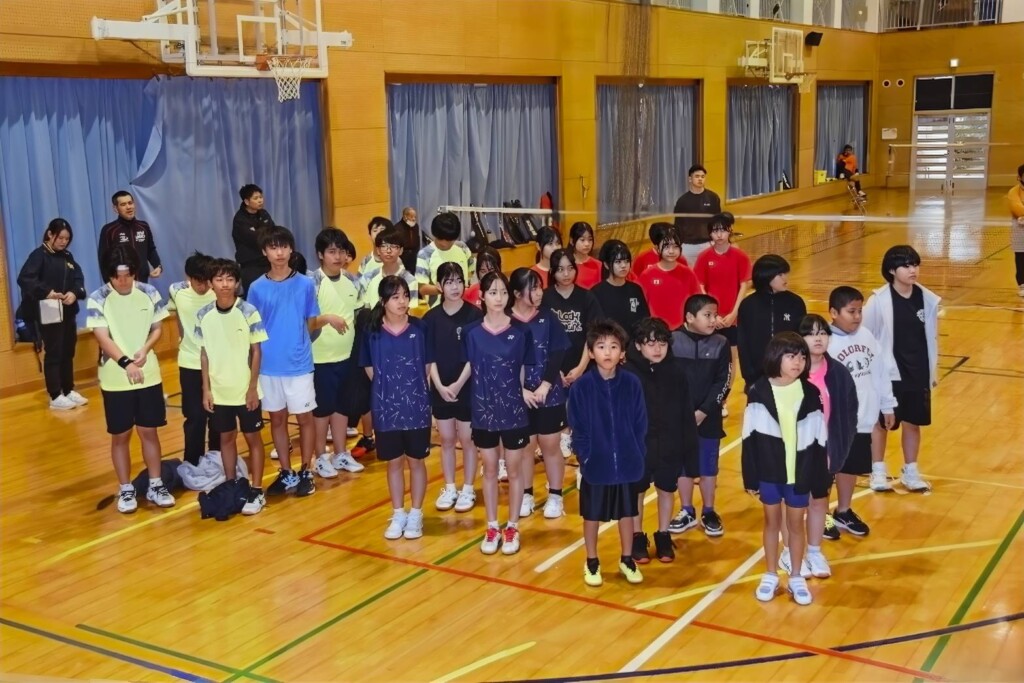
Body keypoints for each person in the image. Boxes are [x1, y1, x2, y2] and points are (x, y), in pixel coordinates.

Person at [741, 332, 828, 606]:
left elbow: (820, 438)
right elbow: (748, 438)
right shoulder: (757, 392)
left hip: (799, 473)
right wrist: (750, 477)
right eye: (791, 356)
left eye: (802, 356)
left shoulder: (811, 393)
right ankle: (770, 574)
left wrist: (820, 478)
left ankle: (796, 576)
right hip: (769, 473)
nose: (798, 362)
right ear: (775, 357)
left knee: (796, 525)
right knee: (771, 522)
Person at [86, 245, 172, 514]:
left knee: (149, 432)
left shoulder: (149, 292)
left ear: (135, 272)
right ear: (109, 275)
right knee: (121, 435)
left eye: (127, 275)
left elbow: (157, 327)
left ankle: (156, 484)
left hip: (149, 375)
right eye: (117, 276)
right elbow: (102, 337)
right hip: (115, 379)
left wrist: (145, 350)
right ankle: (125, 488)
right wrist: (126, 363)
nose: (122, 281)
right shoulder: (98, 298)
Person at [568, 320, 648, 587]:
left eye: (614, 347)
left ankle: (627, 559)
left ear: (622, 352)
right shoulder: (582, 387)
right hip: (596, 465)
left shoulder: (632, 383)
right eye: (601, 346)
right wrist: (586, 456)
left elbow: (640, 423)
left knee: (627, 513)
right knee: (591, 515)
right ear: (591, 352)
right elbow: (578, 427)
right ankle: (592, 561)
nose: (607, 352)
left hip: (626, 463)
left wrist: (636, 452)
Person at [246, 225, 320, 498]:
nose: (279, 252)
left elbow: (311, 322)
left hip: (299, 364)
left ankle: (306, 471)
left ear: (291, 249)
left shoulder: (306, 284)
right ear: (264, 251)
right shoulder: (256, 288)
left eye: (283, 246)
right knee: (277, 419)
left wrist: (297, 343)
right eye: (273, 247)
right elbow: (252, 329)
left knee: (305, 419)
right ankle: (287, 472)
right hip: (268, 365)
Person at [463, 271, 534, 555]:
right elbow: (469, 368)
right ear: (482, 296)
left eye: (503, 292)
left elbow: (524, 371)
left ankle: (512, 526)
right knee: (490, 468)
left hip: (514, 412)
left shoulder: (521, 332)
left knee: (514, 470)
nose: (499, 298)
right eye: (493, 292)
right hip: (483, 412)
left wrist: (524, 394)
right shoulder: (471, 333)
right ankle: (492, 526)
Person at [784, 313, 857, 580]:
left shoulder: (838, 373)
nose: (818, 338)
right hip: (793, 452)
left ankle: (814, 551)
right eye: (811, 333)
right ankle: (790, 552)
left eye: (823, 333)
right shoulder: (789, 372)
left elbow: (848, 413)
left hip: (823, 451)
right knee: (793, 506)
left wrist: (838, 450)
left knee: (819, 501)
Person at [360, 275, 433, 540]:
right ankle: (398, 512)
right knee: (393, 463)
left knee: (416, 461)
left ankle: (416, 513)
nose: (402, 301)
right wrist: (388, 392)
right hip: (386, 408)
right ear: (383, 301)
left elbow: (427, 367)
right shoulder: (372, 332)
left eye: (405, 296)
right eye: (395, 297)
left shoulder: (420, 328)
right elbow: (370, 369)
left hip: (416, 407)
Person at [863, 245, 939, 493]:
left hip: (918, 372)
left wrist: (931, 371)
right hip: (889, 374)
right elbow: (866, 336)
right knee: (882, 423)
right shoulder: (878, 301)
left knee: (913, 423)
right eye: (906, 266)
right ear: (892, 270)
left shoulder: (927, 299)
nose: (912, 270)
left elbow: (931, 337)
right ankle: (877, 470)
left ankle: (911, 471)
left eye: (915, 265)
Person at [196, 259, 268, 515]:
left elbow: (256, 352)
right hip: (219, 392)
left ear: (237, 283)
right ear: (210, 284)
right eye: (219, 279)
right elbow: (204, 354)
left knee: (253, 439)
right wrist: (206, 389)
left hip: (245, 391)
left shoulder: (248, 311)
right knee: (226, 439)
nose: (225, 284)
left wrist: (252, 388)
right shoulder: (203, 315)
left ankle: (256, 489)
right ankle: (231, 484)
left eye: (229, 279)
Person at [625, 317, 698, 564]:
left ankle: (663, 534)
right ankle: (637, 537)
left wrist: (689, 452)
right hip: (638, 447)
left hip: (669, 443)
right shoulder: (628, 374)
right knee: (637, 491)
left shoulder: (677, 373)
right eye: (651, 344)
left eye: (662, 344)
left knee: (666, 489)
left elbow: (686, 414)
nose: (657, 349)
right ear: (638, 346)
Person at [509, 267, 572, 519]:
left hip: (549, 393)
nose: (538, 293)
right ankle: (526, 494)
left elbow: (558, 352)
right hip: (519, 395)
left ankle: (556, 495)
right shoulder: (506, 321)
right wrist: (520, 390)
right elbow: (502, 360)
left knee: (550, 445)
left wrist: (546, 384)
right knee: (525, 447)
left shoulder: (548, 317)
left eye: (539, 287)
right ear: (516, 293)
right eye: (532, 288)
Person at [667, 294, 732, 537]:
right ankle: (686, 510)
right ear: (690, 317)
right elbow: (666, 380)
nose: (714, 320)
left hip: (709, 416)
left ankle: (709, 511)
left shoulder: (721, 343)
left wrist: (704, 411)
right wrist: (682, 412)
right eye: (708, 315)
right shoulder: (672, 340)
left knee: (708, 466)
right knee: (683, 466)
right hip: (679, 417)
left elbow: (723, 382)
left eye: (715, 314)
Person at [828, 286, 897, 505]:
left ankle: (844, 511)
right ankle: (823, 518)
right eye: (851, 311)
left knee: (850, 468)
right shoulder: (826, 342)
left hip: (862, 419)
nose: (857, 317)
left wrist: (887, 405)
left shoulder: (866, 335)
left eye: (860, 311)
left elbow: (880, 372)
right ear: (834, 312)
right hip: (835, 423)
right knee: (827, 473)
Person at [423, 262, 481, 513]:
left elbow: (475, 356)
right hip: (440, 387)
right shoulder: (431, 318)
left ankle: (468, 488)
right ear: (439, 286)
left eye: (458, 281)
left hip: (467, 387)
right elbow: (429, 357)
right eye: (449, 282)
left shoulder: (475, 315)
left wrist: (458, 384)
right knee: (446, 439)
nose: (455, 287)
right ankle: (449, 486)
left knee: (467, 439)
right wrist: (439, 385)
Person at [309, 228, 366, 478]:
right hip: (320, 358)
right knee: (322, 410)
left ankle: (341, 453)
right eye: (332, 251)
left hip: (347, 356)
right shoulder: (311, 283)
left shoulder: (354, 281)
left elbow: (359, 315)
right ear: (320, 254)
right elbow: (304, 323)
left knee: (342, 407)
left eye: (341, 251)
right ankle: (320, 457)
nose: (338, 256)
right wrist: (326, 318)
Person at [16, 218, 88, 411]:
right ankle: (55, 395)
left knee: (68, 350)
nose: (64, 242)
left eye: (67, 239)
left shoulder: (67, 256)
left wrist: (74, 292)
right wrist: (47, 292)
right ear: (50, 234)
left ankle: (68, 389)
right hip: (49, 310)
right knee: (54, 351)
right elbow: (25, 279)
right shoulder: (39, 255)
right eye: (60, 238)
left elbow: (78, 278)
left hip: (68, 310)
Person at [168, 252, 218, 466]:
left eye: (207, 281)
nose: (203, 286)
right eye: (198, 281)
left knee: (217, 417)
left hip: (217, 365)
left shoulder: (218, 293)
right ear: (188, 277)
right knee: (195, 417)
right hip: (189, 363)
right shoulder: (176, 291)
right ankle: (192, 463)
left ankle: (217, 460)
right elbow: (174, 313)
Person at [736, 254, 806, 392]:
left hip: (790, 376)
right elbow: (743, 343)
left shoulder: (795, 303)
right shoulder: (748, 305)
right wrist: (749, 377)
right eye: (780, 275)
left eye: (785, 273)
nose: (785, 278)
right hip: (757, 378)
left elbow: (802, 339)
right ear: (766, 276)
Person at [542, 248, 604, 389]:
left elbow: (594, 335)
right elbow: (541, 338)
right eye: (560, 269)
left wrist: (581, 368)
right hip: (551, 371)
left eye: (570, 268)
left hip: (584, 369)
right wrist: (554, 371)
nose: (566, 274)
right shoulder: (544, 298)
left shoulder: (587, 297)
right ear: (552, 271)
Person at [692, 212, 750, 349]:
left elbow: (744, 285)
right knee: (710, 352)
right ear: (710, 234)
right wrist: (713, 314)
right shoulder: (704, 257)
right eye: (715, 231)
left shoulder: (740, 256)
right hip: (710, 318)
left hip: (733, 317)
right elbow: (700, 286)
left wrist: (734, 314)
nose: (719, 235)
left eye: (723, 230)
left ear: (730, 231)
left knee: (732, 352)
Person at [636, 227, 701, 331]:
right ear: (657, 248)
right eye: (666, 247)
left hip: (683, 331)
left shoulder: (688, 273)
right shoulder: (647, 275)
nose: (671, 251)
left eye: (675, 247)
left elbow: (697, 303)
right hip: (655, 332)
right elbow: (639, 305)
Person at [98, 191, 162, 283]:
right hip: (120, 283)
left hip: (142, 281)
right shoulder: (109, 230)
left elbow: (150, 249)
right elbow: (104, 260)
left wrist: (158, 265)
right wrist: (109, 283)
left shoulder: (144, 226)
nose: (128, 207)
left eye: (130, 203)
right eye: (123, 204)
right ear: (115, 208)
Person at [592, 239, 650, 339]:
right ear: (606, 265)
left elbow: (644, 321)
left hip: (634, 344)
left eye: (626, 261)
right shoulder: (596, 292)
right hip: (608, 344)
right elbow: (595, 326)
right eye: (618, 262)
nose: (623, 266)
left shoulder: (636, 289)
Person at [416, 212, 474, 308]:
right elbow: (422, 288)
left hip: (464, 305)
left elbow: (472, 272)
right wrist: (446, 289)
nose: (444, 243)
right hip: (438, 308)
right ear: (434, 234)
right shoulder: (425, 254)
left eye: (449, 240)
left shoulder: (462, 248)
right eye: (440, 239)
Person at [357, 229, 419, 309]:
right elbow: (362, 308)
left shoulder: (410, 280)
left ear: (401, 251)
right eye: (384, 246)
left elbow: (411, 310)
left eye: (393, 246)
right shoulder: (368, 277)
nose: (388, 251)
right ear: (378, 250)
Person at [673, 164, 722, 266]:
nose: (700, 179)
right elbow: (678, 225)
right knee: (689, 273)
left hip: (708, 243)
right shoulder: (682, 201)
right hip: (687, 245)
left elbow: (718, 221)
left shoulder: (713, 198)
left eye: (702, 177)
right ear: (690, 179)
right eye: (697, 176)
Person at [232, 183, 275, 294]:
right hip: (250, 265)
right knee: (254, 295)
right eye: (255, 198)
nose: (260, 200)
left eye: (261, 197)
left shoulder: (264, 214)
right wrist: (264, 232)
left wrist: (261, 232)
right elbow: (256, 239)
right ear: (247, 201)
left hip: (268, 262)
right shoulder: (240, 219)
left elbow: (273, 233)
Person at [569, 222, 602, 289]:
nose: (587, 244)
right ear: (572, 241)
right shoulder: (566, 264)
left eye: (590, 240)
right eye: (582, 240)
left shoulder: (598, 265)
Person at [1008, 163, 1024, 297]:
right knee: (1021, 258)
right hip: (1020, 231)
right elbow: (1017, 209)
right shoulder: (1014, 192)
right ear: (1019, 177)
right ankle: (1022, 284)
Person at [395, 206, 422, 274]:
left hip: (413, 256)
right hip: (402, 256)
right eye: (411, 217)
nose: (414, 219)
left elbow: (417, 239)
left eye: (415, 217)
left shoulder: (415, 226)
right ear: (405, 217)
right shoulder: (397, 228)